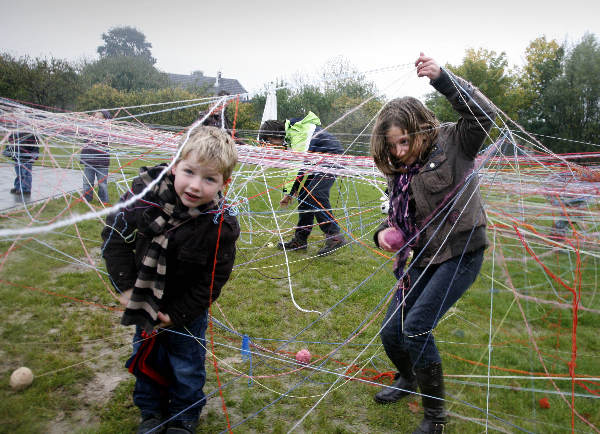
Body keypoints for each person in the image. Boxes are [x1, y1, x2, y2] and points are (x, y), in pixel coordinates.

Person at [370, 53, 496, 433]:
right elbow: (397, 218)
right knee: (392, 332)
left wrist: (443, 79)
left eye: (405, 141)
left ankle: (435, 417)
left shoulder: (456, 142)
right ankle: (408, 378)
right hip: (423, 258)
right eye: (392, 146)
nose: (400, 152)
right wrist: (381, 233)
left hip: (461, 252)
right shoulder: (399, 171)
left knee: (417, 326)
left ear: (421, 129)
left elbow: (484, 116)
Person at [101, 126, 240, 434]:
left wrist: (177, 314)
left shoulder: (221, 224)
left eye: (209, 179)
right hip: (144, 300)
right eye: (189, 171)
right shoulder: (141, 197)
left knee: (187, 365)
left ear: (223, 183)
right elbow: (114, 240)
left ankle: (183, 417)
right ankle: (150, 411)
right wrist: (126, 288)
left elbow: (214, 278)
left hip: (186, 312)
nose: (195, 185)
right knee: (145, 356)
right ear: (175, 165)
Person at [259, 112, 347, 256]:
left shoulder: (297, 131)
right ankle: (300, 241)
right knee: (305, 195)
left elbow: (297, 164)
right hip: (317, 161)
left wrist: (288, 192)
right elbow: (300, 165)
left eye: (270, 140)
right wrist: (292, 192)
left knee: (315, 194)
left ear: (275, 134)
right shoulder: (292, 134)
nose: (272, 144)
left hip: (331, 158)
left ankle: (334, 236)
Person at [81, 110, 112, 204]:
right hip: (88, 160)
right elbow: (82, 135)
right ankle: (87, 198)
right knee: (87, 182)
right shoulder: (89, 129)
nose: (97, 120)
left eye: (100, 118)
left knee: (102, 183)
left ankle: (103, 200)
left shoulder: (107, 130)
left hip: (102, 161)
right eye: (95, 118)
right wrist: (88, 123)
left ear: (105, 120)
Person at [4, 129, 39, 197]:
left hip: (26, 158)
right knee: (19, 174)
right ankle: (18, 187)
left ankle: (25, 189)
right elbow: (11, 144)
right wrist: (7, 151)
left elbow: (35, 146)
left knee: (25, 174)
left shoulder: (30, 135)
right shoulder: (15, 134)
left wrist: (34, 155)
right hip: (18, 158)